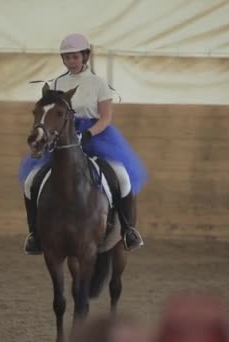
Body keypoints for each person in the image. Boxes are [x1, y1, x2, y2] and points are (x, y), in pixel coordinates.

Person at [18, 33, 148, 254]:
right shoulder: (58, 83)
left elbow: (106, 117)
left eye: (75, 57)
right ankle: (35, 233)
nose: (71, 61)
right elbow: (51, 115)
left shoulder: (98, 84)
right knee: (31, 180)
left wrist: (88, 134)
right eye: (67, 58)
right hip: (63, 138)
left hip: (97, 137)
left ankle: (128, 230)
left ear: (85, 56)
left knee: (122, 177)